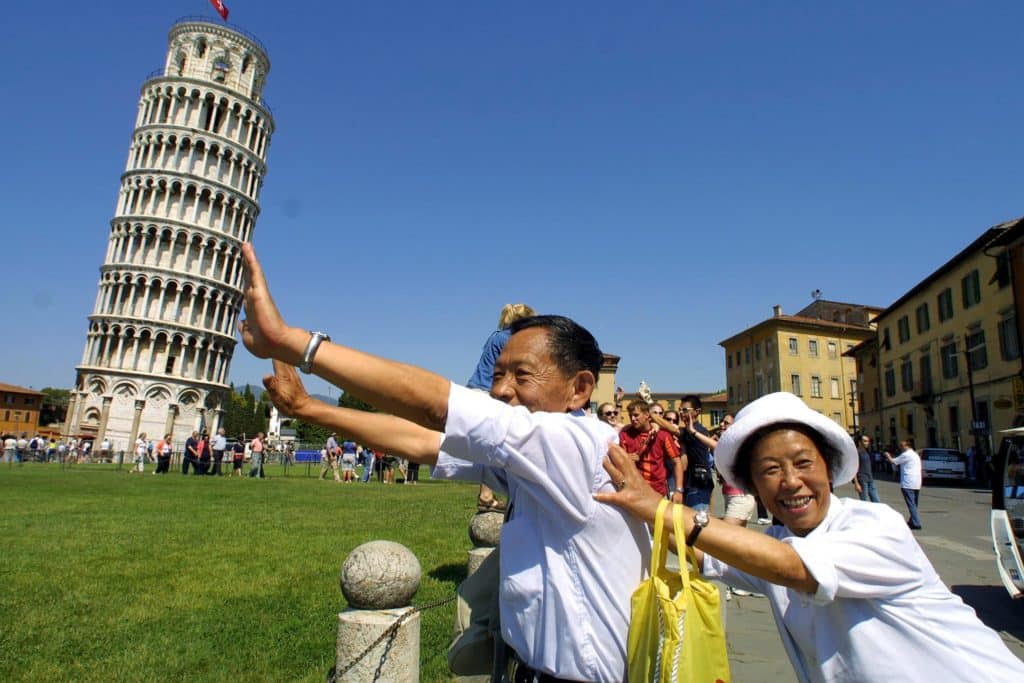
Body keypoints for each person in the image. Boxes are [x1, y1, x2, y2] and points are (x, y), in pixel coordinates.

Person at [237, 243, 647, 681]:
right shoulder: (537, 458)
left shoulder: (576, 445)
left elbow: (436, 406)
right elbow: (422, 441)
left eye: (522, 376)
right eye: (497, 375)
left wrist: (292, 342)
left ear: (579, 389)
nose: (501, 391)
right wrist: (309, 408)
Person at [595, 391, 1024, 682]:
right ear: (754, 487)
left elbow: (796, 567)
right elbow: (708, 554)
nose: (791, 482)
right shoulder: (777, 544)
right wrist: (629, 501)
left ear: (829, 466)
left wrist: (660, 508)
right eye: (769, 470)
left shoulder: (876, 525)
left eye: (803, 463)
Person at [467, 302, 536, 513]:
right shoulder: (510, 340)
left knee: (495, 442)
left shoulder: (497, 335)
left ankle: (488, 494)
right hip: (489, 392)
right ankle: (487, 495)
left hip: (479, 390)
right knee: (498, 442)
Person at [618, 399, 682, 501]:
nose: (632, 419)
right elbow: (618, 460)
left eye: (636, 415)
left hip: (659, 493)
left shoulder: (663, 435)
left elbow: (677, 462)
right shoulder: (625, 434)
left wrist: (679, 490)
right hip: (635, 492)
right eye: (630, 416)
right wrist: (626, 458)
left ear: (647, 415)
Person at [679, 395, 716, 511]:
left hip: (698, 486)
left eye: (685, 410)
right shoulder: (688, 431)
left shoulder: (697, 431)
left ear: (697, 412)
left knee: (697, 525)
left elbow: (673, 429)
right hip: (692, 485)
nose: (681, 413)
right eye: (680, 410)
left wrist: (651, 413)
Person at [886, 438, 923, 530]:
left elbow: (893, 461)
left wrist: (887, 455)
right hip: (916, 482)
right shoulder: (915, 454)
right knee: (914, 503)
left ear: (907, 446)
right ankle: (912, 521)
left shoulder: (906, 455)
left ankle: (916, 523)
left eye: (902, 446)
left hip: (908, 482)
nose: (901, 447)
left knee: (911, 504)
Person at [853, 434, 881, 503]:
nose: (867, 443)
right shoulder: (856, 452)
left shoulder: (867, 451)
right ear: (859, 442)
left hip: (870, 479)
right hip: (862, 480)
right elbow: (853, 469)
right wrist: (856, 484)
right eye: (865, 441)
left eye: (868, 441)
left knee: (876, 501)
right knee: (864, 502)